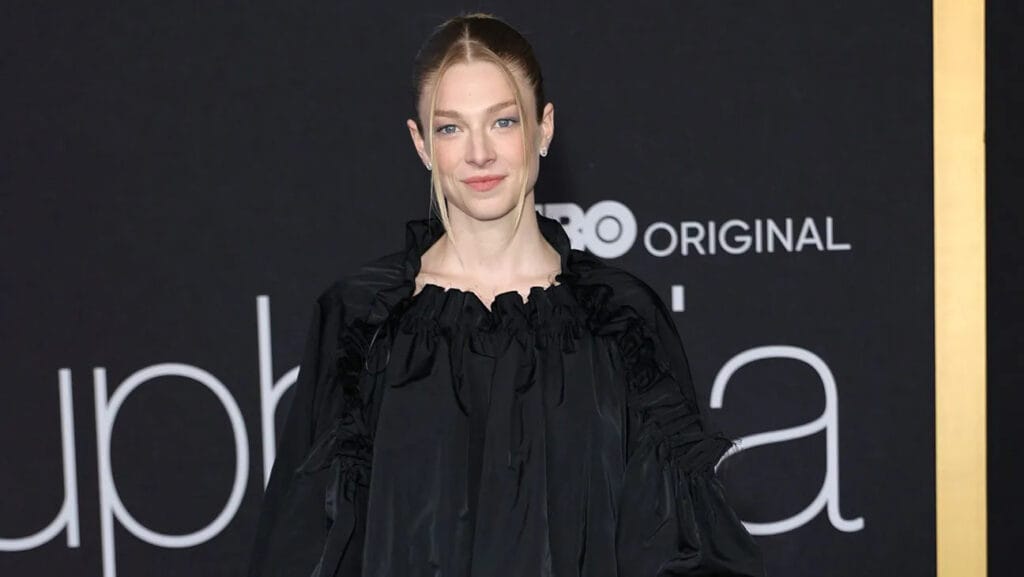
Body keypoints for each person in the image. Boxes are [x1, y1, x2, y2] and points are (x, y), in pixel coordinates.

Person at [247, 12, 765, 577]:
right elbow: (309, 546)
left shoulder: (622, 320)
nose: (479, 154)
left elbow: (677, 545)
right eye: (450, 128)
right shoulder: (362, 321)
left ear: (544, 128)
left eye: (503, 121)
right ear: (421, 143)